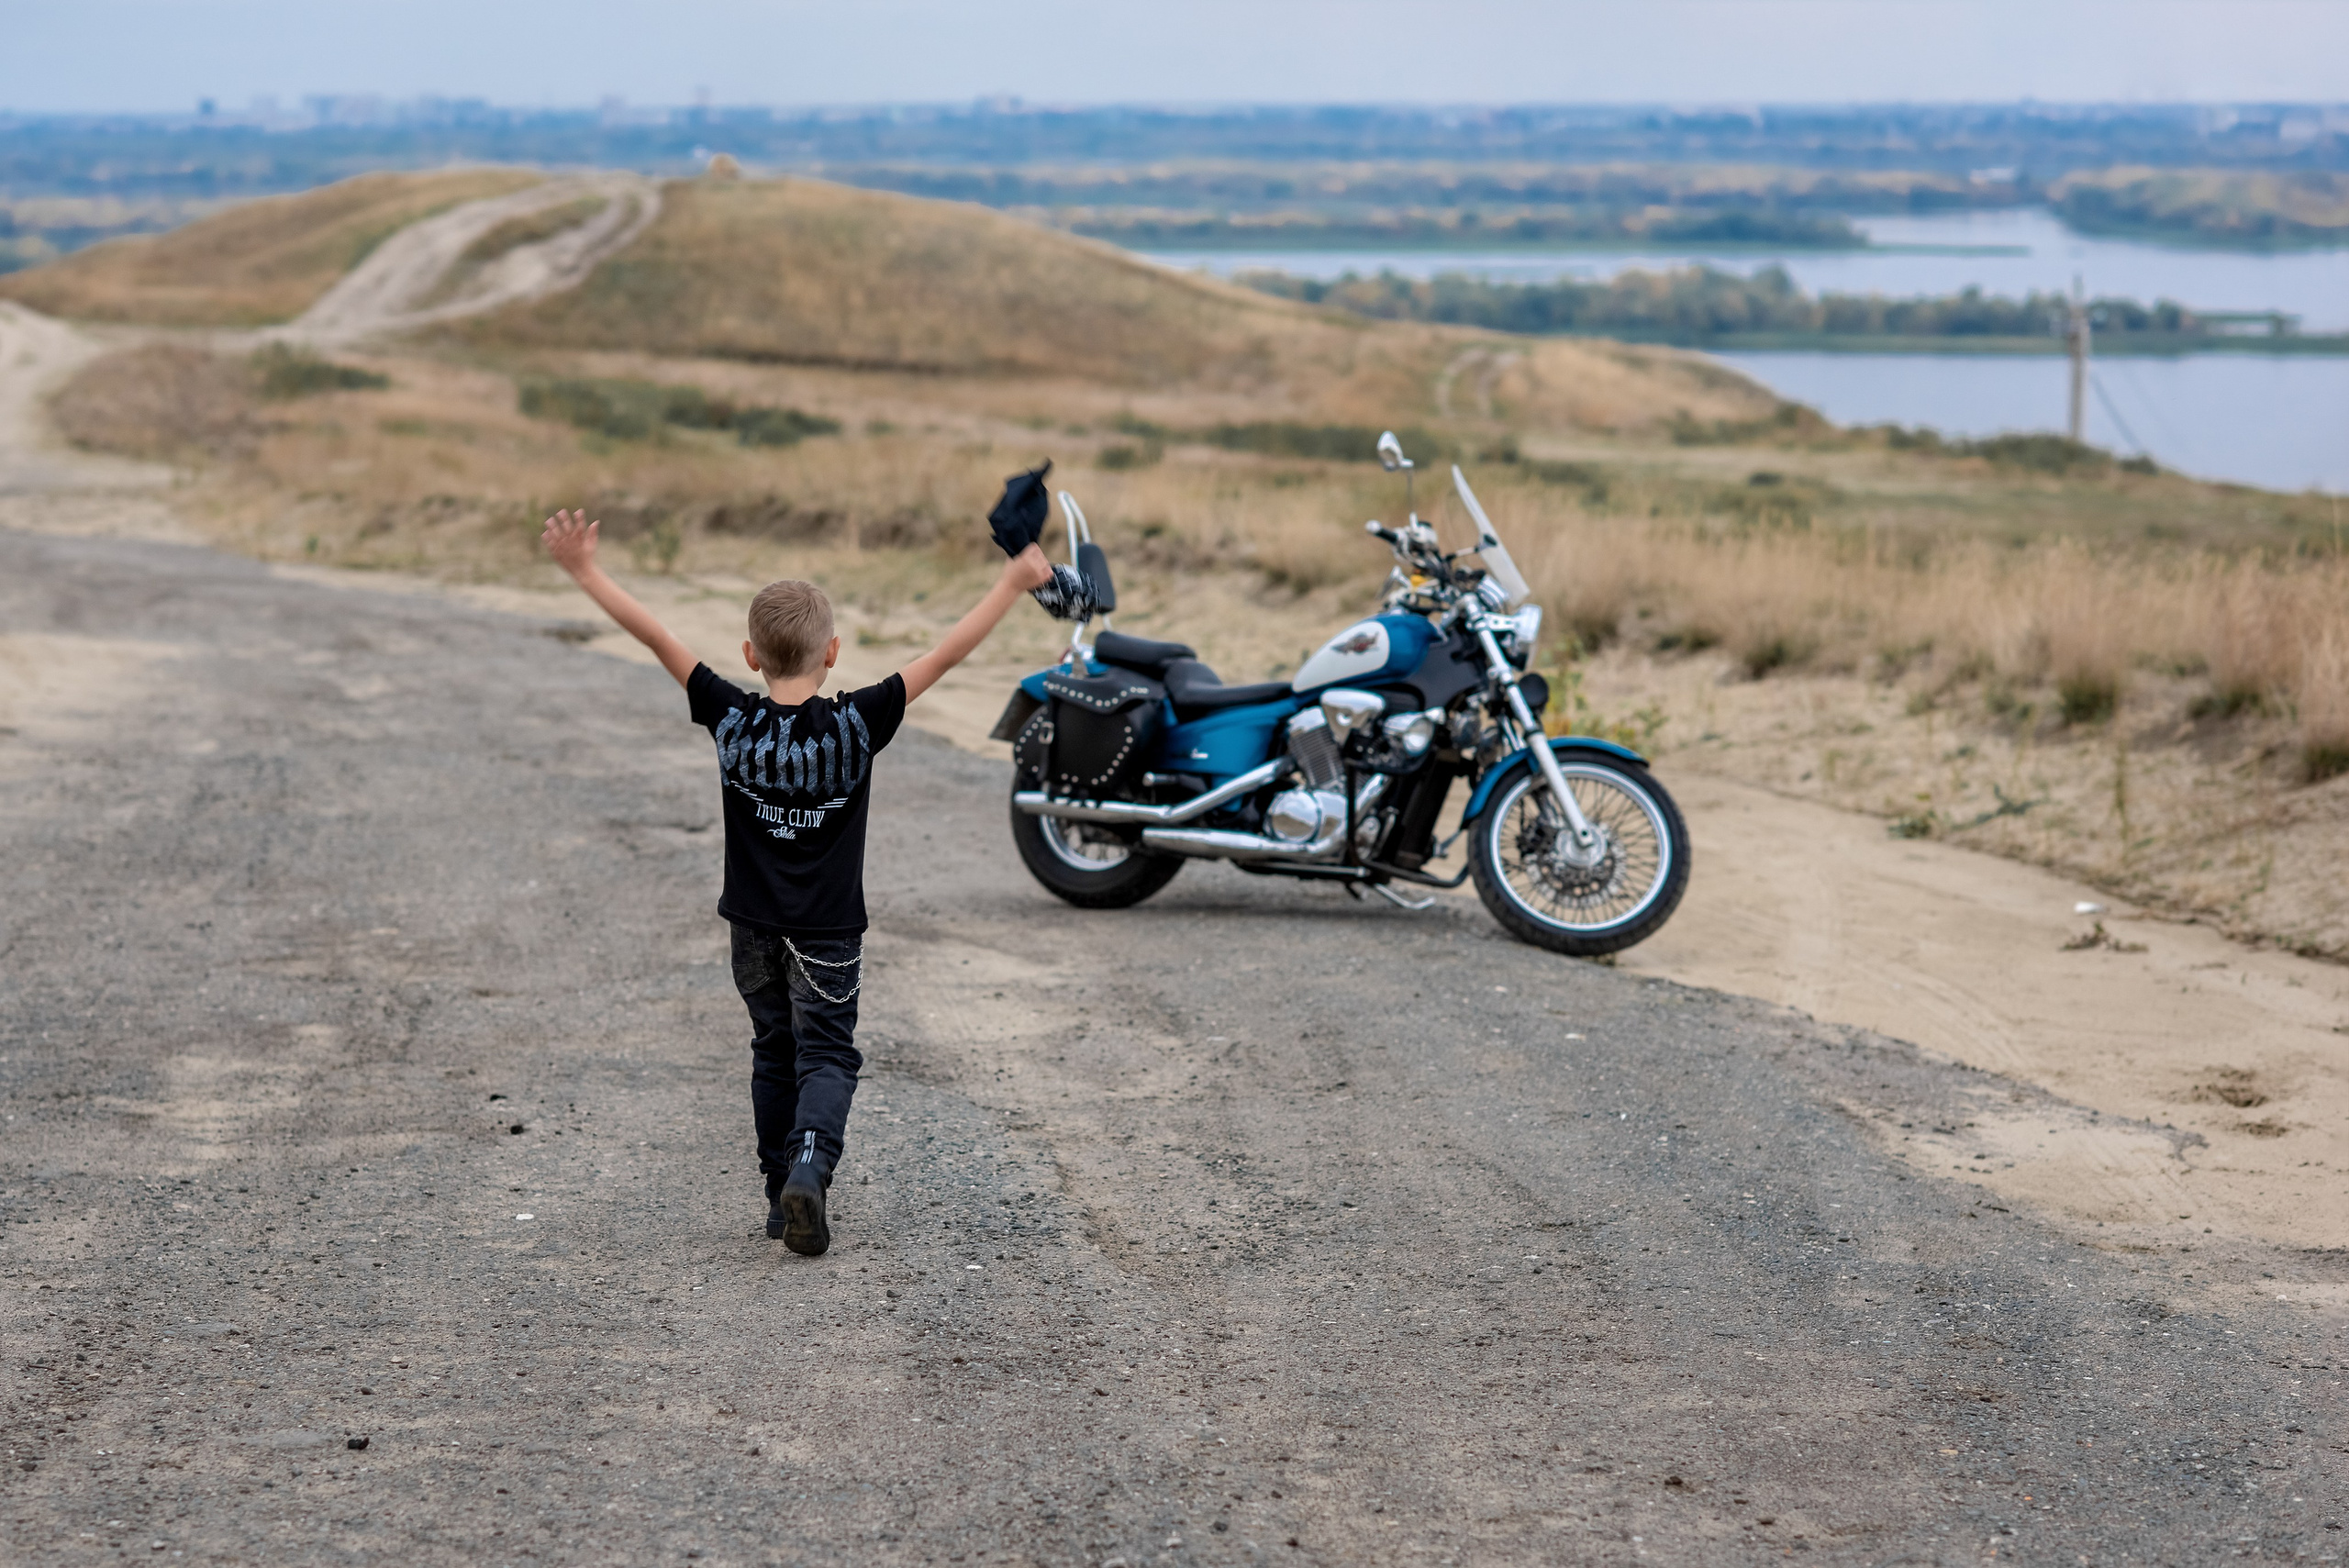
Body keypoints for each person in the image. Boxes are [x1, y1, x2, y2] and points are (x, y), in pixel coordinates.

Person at [540, 508, 1054, 1255]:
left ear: (750, 654)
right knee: (828, 1053)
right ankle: (809, 1166)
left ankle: (778, 1194)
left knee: (772, 1048)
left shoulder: (729, 716)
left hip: (751, 926)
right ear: (834, 652)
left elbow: (656, 636)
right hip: (828, 931)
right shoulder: (860, 722)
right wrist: (1012, 581)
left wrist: (585, 570)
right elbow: (946, 655)